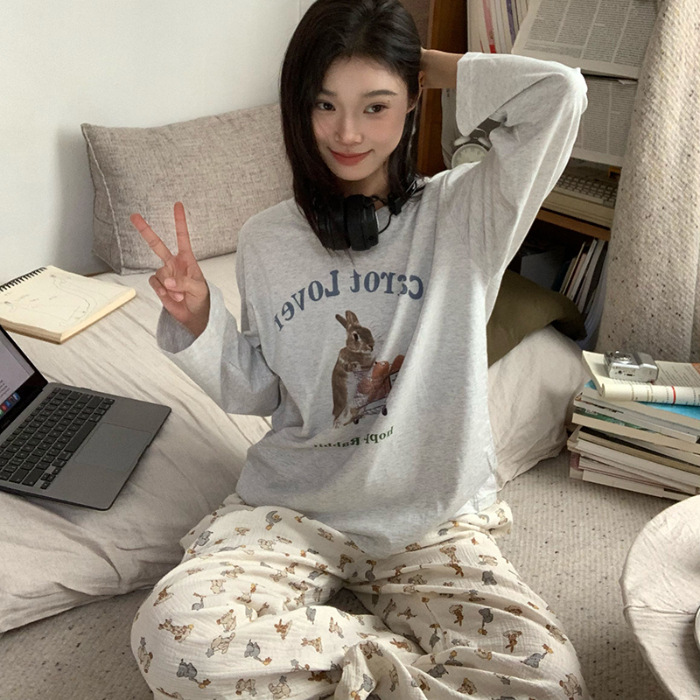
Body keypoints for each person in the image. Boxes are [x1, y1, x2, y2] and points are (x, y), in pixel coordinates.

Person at [129, 1, 589, 697]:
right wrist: (199, 319)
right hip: (294, 510)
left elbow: (560, 93)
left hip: (429, 517)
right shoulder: (265, 240)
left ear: (412, 100)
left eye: (375, 106)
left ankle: (333, 660)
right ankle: (397, 655)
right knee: (171, 640)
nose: (347, 133)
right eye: (325, 104)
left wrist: (423, 65)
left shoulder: (469, 213)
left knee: (550, 679)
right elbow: (261, 391)